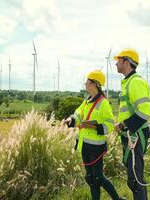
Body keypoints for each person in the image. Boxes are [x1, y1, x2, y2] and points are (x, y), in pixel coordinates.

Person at [63, 70, 123, 200]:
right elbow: (78, 114)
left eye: (87, 82)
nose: (85, 84)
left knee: (98, 178)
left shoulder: (104, 103)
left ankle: (117, 199)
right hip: (84, 144)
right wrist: (71, 119)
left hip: (96, 147)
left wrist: (95, 126)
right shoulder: (87, 100)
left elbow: (110, 124)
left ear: (95, 84)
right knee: (90, 178)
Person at [113, 49, 150, 200]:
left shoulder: (136, 82)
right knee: (134, 178)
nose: (116, 63)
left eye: (119, 60)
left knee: (135, 179)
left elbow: (143, 112)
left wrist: (123, 125)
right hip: (130, 135)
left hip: (136, 135)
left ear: (126, 62)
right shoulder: (128, 82)